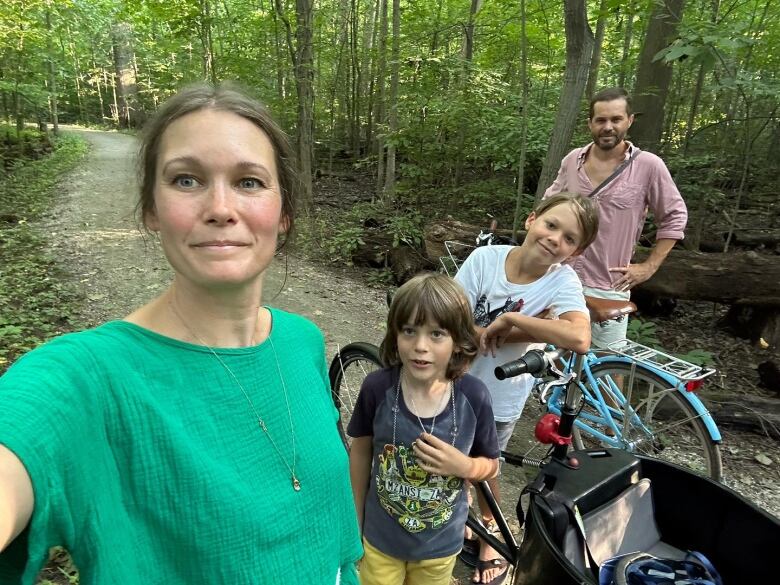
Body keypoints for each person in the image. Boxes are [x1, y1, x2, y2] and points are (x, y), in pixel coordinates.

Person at [0, 83, 362, 584]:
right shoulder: (86, 378)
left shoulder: (302, 342)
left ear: (284, 214)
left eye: (249, 182)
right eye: (187, 180)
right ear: (151, 209)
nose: (220, 206)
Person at [454, 192, 599, 585]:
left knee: (488, 463)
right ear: (533, 219)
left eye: (569, 238)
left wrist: (513, 321)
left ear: (576, 251)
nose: (556, 239)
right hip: (455, 376)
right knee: (452, 449)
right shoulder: (485, 260)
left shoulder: (562, 280)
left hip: (501, 393)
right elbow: (452, 314)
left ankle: (492, 531)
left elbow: (580, 337)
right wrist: (516, 328)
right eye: (551, 225)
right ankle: (462, 509)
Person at [347, 273, 500, 585]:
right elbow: (361, 452)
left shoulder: (474, 397)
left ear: (458, 340)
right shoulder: (377, 388)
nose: (420, 346)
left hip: (439, 548)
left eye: (437, 334)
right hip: (379, 541)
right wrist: (354, 519)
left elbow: (492, 465)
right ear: (394, 334)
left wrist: (466, 466)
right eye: (409, 331)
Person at [544, 87, 688, 348]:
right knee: (552, 359)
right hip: (560, 275)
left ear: (629, 120)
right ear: (590, 124)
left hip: (608, 285)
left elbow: (675, 216)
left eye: (616, 119)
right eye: (601, 120)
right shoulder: (572, 161)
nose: (608, 126)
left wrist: (649, 267)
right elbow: (548, 206)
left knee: (608, 365)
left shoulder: (648, 166)